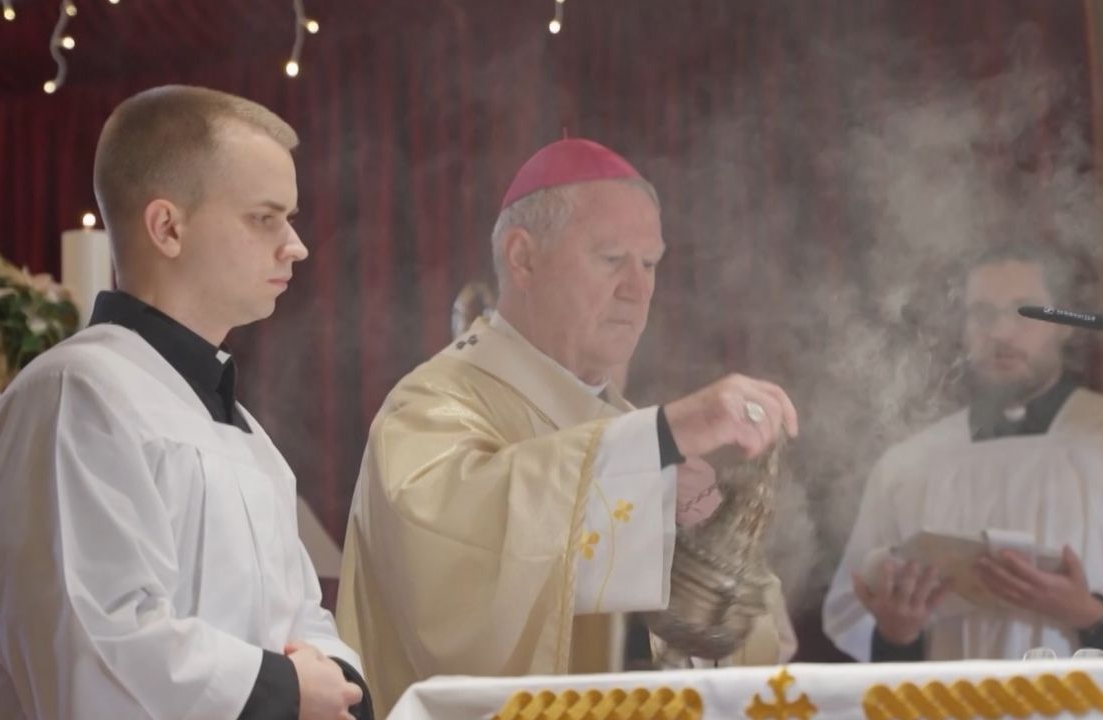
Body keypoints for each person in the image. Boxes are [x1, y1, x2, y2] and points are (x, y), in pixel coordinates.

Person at [338, 138, 799, 713]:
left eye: (650, 264)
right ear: (523, 258)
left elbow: (750, 644)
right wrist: (658, 445)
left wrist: (705, 540)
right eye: (611, 259)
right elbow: (451, 567)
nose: (638, 289)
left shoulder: (629, 429)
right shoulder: (431, 406)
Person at [0, 85, 369, 720]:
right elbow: (92, 643)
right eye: (265, 218)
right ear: (168, 228)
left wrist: (339, 686)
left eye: (289, 218)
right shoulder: (76, 394)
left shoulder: (244, 432)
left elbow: (302, 617)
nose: (296, 245)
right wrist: (286, 691)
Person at [823, 243, 1103, 662]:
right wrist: (897, 631)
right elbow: (855, 614)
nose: (1001, 333)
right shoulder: (907, 466)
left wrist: (1094, 614)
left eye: (1025, 312)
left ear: (1066, 324)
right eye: (982, 315)